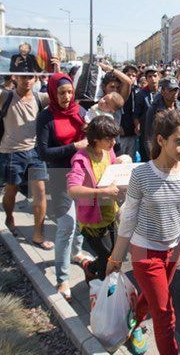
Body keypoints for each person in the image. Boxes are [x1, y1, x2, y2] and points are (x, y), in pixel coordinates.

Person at [106, 109, 180, 355]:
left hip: (172, 250)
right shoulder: (141, 175)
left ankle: (132, 324)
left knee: (151, 300)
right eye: (178, 141)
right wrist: (115, 258)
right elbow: (128, 220)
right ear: (161, 140)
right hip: (145, 253)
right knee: (164, 313)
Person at [0, 48, 52, 249]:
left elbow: (64, 95)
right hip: (11, 154)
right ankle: (9, 217)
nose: (26, 80)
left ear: (36, 78)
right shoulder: (5, 97)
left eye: (30, 77)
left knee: (40, 193)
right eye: (22, 76)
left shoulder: (41, 98)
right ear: (14, 77)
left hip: (35, 154)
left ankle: (38, 234)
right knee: (11, 192)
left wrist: (56, 69)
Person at [36, 73, 90, 301]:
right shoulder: (46, 117)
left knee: (81, 219)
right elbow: (43, 152)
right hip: (60, 176)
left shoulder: (79, 111)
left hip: (83, 173)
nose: (66, 97)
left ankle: (76, 253)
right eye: (61, 93)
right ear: (52, 93)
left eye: (69, 92)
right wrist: (73, 146)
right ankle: (62, 279)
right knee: (66, 224)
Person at [67, 116, 124, 281]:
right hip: (92, 220)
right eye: (108, 139)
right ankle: (98, 283)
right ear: (95, 139)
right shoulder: (81, 160)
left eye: (114, 138)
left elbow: (112, 171)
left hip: (110, 213)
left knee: (115, 254)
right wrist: (103, 192)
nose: (113, 143)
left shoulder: (108, 151)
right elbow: (73, 190)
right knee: (108, 257)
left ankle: (91, 269)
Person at [144, 77, 180, 153]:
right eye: (170, 90)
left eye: (176, 90)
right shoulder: (154, 109)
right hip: (160, 150)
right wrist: (152, 154)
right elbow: (149, 135)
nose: (174, 93)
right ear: (162, 91)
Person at [133, 66, 160, 161]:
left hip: (161, 131)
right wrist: (137, 125)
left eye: (155, 75)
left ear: (159, 77)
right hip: (146, 132)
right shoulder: (140, 94)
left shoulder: (164, 92)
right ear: (146, 79)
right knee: (147, 158)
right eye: (150, 76)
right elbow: (136, 114)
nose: (153, 78)